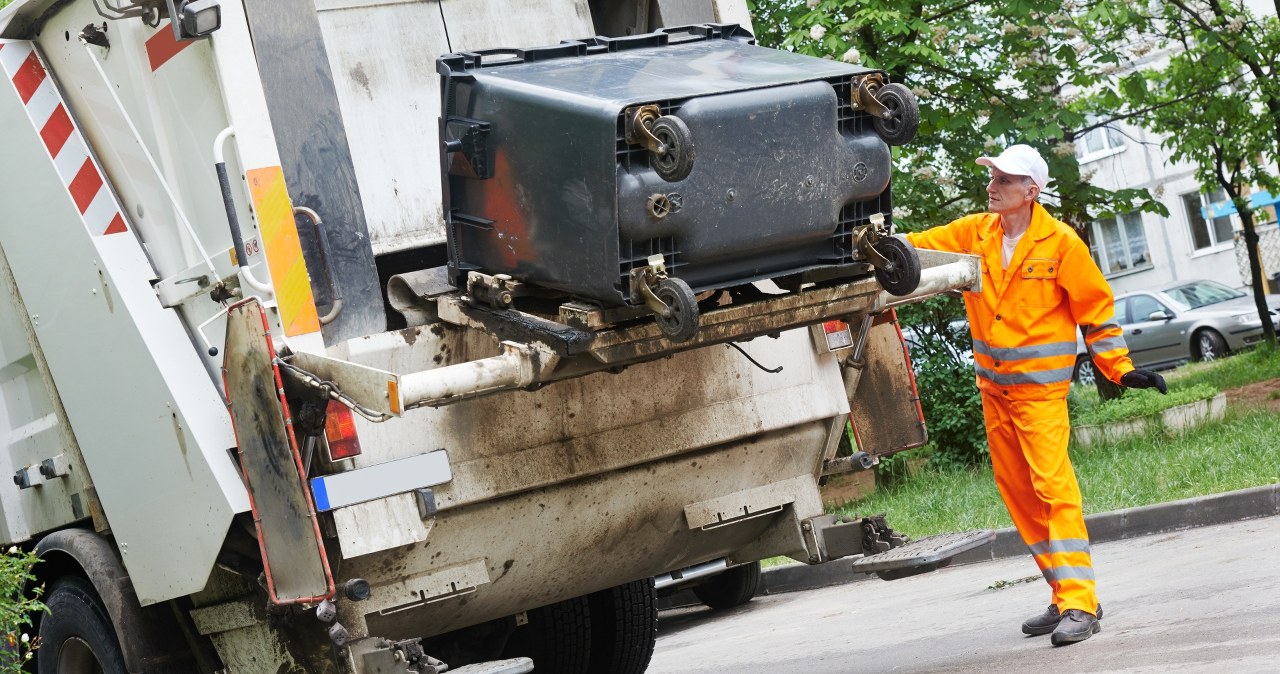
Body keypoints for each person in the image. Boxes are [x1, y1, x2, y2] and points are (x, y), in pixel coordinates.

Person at [904, 144, 1167, 646]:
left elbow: (1095, 312)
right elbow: (913, 247)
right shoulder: (975, 233)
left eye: (1004, 179)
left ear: (1031, 191)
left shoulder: (1061, 243)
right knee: (1022, 498)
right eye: (992, 177)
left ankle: (1081, 604)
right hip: (995, 393)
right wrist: (867, 242)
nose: (992, 186)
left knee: (1054, 491)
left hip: (1040, 397)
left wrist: (1120, 368)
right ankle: (1064, 592)